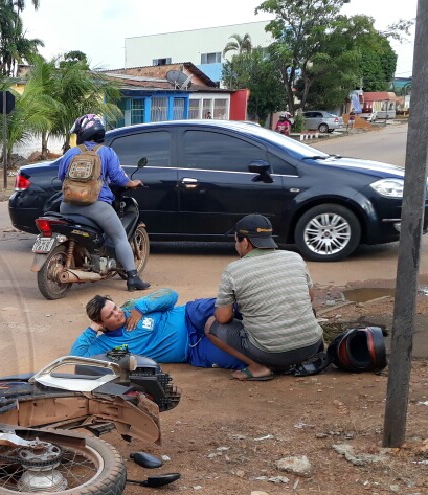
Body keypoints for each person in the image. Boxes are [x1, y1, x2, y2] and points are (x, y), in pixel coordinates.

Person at [205, 214, 323, 382]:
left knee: (211, 325)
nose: (236, 246)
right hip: (311, 347)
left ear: (245, 242)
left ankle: (258, 367)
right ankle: (297, 358)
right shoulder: (294, 258)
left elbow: (223, 318)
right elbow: (310, 297)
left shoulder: (233, 270)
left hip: (271, 353)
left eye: (236, 241)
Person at [57, 114, 149, 292]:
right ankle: (133, 278)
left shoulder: (71, 153)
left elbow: (62, 177)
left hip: (67, 206)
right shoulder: (106, 152)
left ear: (83, 133)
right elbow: (118, 178)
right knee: (120, 237)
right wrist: (132, 183)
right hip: (96, 206)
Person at [71, 288, 243, 369]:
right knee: (236, 358)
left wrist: (140, 308)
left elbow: (171, 295)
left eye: (115, 308)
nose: (118, 313)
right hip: (192, 349)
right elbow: (77, 357)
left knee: (225, 307)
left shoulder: (133, 307)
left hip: (189, 315)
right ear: (102, 324)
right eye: (110, 315)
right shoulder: (105, 345)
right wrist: (92, 329)